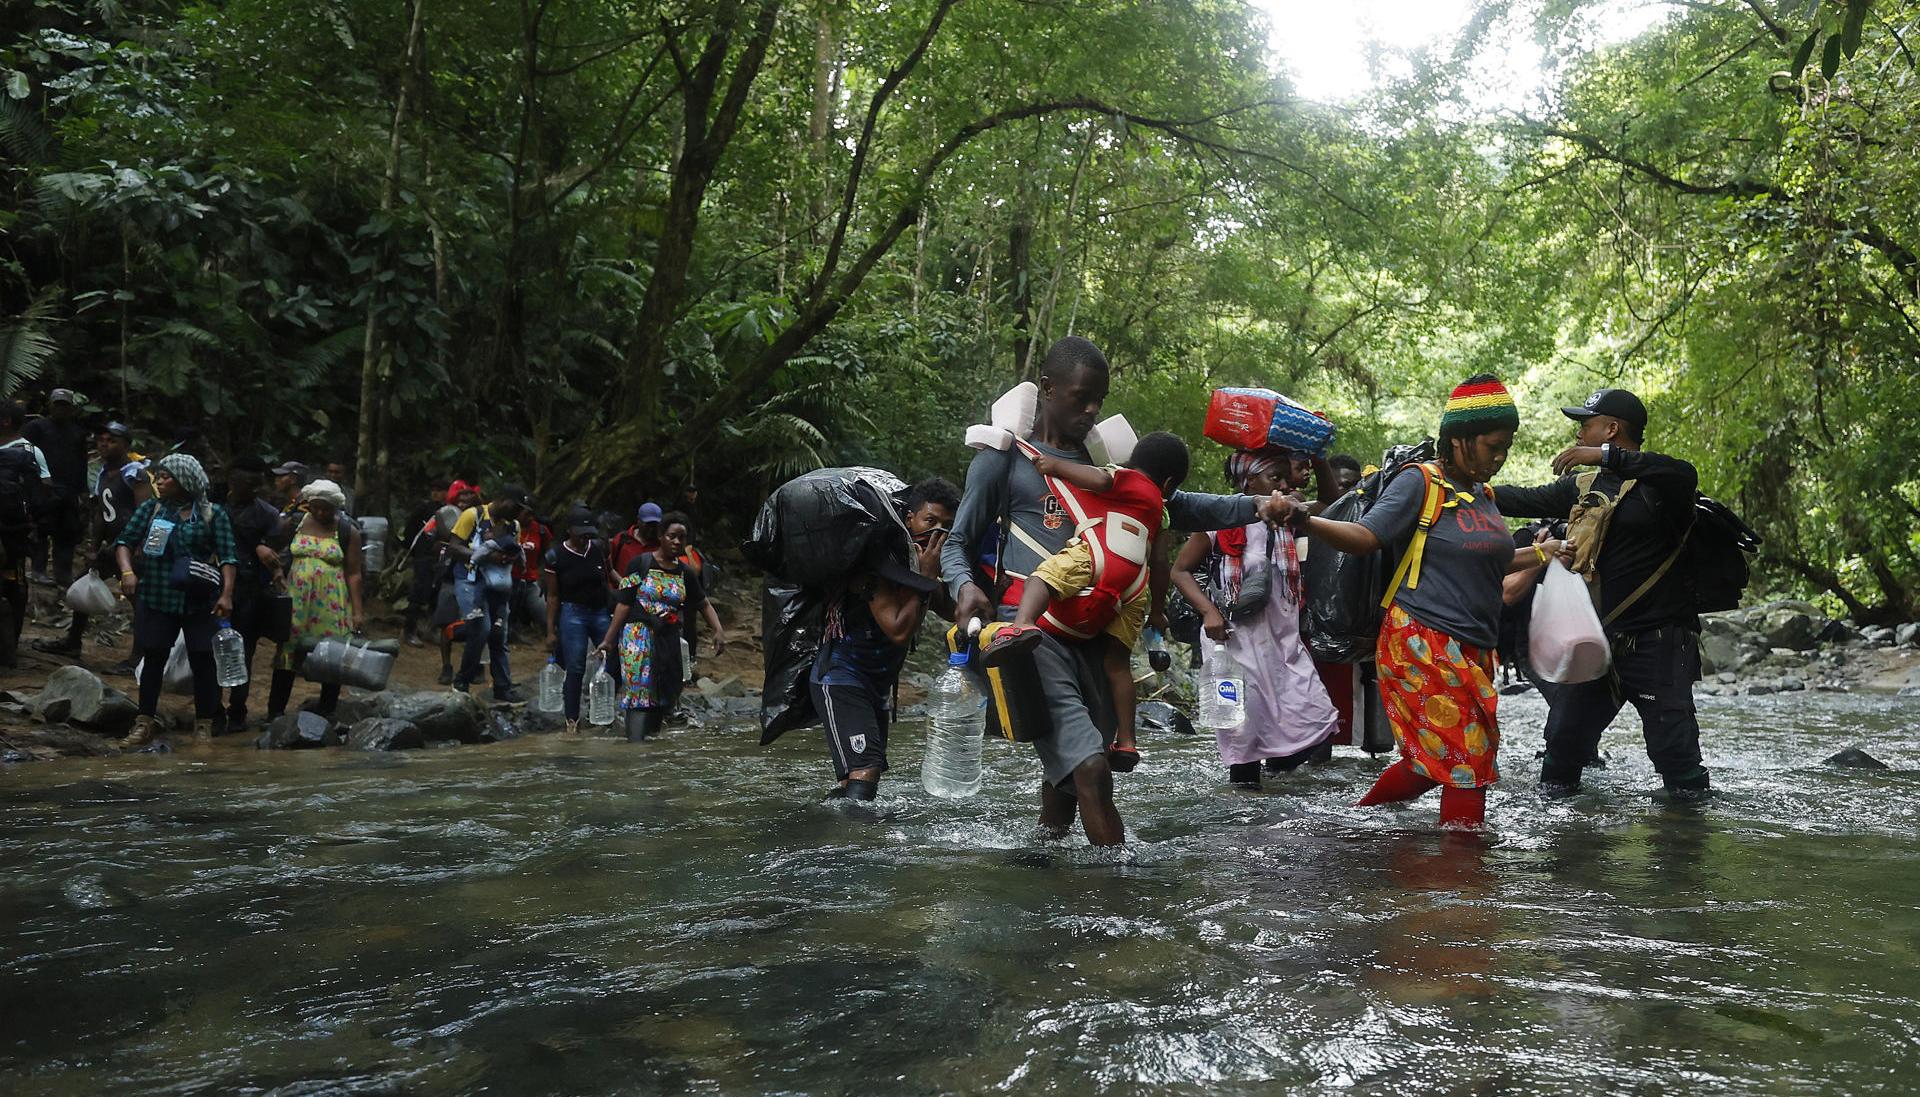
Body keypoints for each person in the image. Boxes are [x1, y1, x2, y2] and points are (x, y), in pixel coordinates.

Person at [941, 336, 1294, 846]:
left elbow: (1181, 505)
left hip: (1100, 633)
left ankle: (1041, 860)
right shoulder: (1004, 461)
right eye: (1080, 398)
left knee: (1068, 777)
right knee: (1090, 767)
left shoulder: (1105, 461)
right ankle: (1117, 897)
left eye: (1099, 401)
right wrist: (964, 585)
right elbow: (958, 543)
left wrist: (1259, 506)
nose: (1091, 411)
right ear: (1048, 388)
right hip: (1034, 631)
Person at [1280, 375, 1566, 829]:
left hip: (1473, 647)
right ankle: (1462, 881)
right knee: (1467, 764)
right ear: (1459, 441)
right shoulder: (1420, 482)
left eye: (1506, 447)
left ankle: (1355, 824)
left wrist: (1543, 554)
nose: (1500, 457)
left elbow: (1489, 561)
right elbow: (1365, 536)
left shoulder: (1483, 496)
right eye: (1493, 446)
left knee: (1432, 762)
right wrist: (1306, 521)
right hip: (1420, 641)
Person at [1492, 387, 1708, 801]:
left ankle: (1685, 853)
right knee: (1561, 751)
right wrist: (1463, 485)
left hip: (1659, 645)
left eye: (1585, 425)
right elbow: (1520, 498)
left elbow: (1682, 472)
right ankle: (1569, 851)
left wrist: (1607, 457)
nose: (1578, 435)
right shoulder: (1584, 485)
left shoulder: (1665, 486)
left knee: (1677, 763)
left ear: (1611, 429)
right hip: (1598, 644)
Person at [981, 432, 1192, 773]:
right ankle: (1126, 740)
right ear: (1168, 484)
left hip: (1098, 555)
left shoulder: (1126, 478)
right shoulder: (1161, 513)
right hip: (1134, 585)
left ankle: (1022, 624)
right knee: (1117, 665)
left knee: (1043, 577)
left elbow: (1098, 479)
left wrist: (1055, 465)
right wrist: (1156, 611)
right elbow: (1161, 563)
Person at [1172, 445, 1344, 788]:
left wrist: (1318, 456)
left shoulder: (1289, 516)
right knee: (1243, 741)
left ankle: (1280, 793)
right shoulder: (1217, 523)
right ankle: (1245, 820)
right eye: (1274, 477)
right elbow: (1180, 570)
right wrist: (1209, 612)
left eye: (1285, 476)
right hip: (1232, 643)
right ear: (1249, 483)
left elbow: (1331, 501)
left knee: (1316, 721)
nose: (1283, 485)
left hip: (1282, 644)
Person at [112, 453, 238, 748]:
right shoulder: (152, 510)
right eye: (160, 476)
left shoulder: (212, 514)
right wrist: (127, 572)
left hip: (199, 600)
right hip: (157, 595)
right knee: (154, 656)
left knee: (203, 660)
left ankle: (204, 725)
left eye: (167, 476)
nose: (160, 481)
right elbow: (124, 543)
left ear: (185, 481)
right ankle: (144, 722)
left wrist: (226, 595)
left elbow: (229, 558)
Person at [596, 512, 727, 742]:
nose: (677, 542)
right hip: (637, 637)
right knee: (639, 693)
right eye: (672, 536)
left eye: (682, 538)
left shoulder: (685, 572)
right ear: (661, 536)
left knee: (664, 691)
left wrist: (718, 630)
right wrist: (608, 639)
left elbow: (702, 603)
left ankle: (652, 748)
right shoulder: (640, 563)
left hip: (667, 639)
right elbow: (624, 603)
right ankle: (635, 747)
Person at [33, 421, 148, 661]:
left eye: (112, 440)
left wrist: (139, 547)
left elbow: (145, 511)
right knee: (81, 584)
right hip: (111, 547)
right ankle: (73, 641)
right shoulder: (103, 474)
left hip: (129, 547)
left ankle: (139, 657)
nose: (105, 444)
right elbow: (99, 515)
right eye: (102, 440)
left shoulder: (135, 473)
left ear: (126, 445)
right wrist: (94, 547)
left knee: (139, 601)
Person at [262, 479, 361, 721]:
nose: (320, 512)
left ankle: (327, 711)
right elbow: (272, 549)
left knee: (332, 654)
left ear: (336, 507)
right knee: (288, 651)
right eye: (315, 507)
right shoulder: (295, 523)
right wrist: (276, 572)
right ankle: (275, 713)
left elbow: (354, 573)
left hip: (332, 600)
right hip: (296, 599)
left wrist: (357, 611)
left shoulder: (348, 530)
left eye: (326, 508)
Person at [220, 458, 284, 733]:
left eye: (259, 484)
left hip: (250, 592)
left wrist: (263, 549)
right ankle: (211, 708)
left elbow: (278, 551)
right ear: (234, 483)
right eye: (251, 484)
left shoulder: (268, 514)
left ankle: (237, 710)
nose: (257, 489)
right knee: (210, 648)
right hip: (215, 586)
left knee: (243, 651)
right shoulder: (215, 507)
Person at [447, 484, 525, 701]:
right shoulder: (473, 515)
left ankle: (503, 687)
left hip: (497, 583)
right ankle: (462, 680)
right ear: (501, 499)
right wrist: (484, 556)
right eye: (515, 507)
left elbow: (514, 551)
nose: (517, 513)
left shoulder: (513, 525)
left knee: (499, 634)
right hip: (469, 580)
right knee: (481, 628)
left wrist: (510, 558)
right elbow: (454, 547)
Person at [542, 506, 612, 734]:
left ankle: (605, 709)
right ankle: (572, 720)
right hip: (573, 613)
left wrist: (629, 586)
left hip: (600, 611)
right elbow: (552, 596)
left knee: (614, 658)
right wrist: (551, 630)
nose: (585, 537)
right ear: (569, 530)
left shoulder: (598, 549)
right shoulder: (556, 556)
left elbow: (610, 574)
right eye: (580, 532)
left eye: (588, 532)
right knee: (575, 666)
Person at [0, 402, 52, 666]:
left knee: (13, 586)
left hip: (13, 533)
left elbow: (41, 490)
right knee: (14, 585)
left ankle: (9, 649)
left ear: (6, 421)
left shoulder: (28, 451)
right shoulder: (30, 452)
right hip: (16, 532)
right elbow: (44, 489)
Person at [24, 388, 89, 587]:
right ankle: (38, 570)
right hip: (43, 490)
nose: (61, 409)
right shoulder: (37, 427)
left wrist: (83, 491)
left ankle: (63, 574)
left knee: (66, 534)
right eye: (57, 404)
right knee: (41, 530)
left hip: (68, 492)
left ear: (71, 409)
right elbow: (25, 454)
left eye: (65, 405)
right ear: (51, 406)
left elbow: (81, 463)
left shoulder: (77, 432)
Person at [511, 502, 551, 644]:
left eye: (532, 514)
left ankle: (552, 637)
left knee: (542, 611)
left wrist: (539, 573)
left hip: (530, 579)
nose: (530, 517)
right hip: (510, 578)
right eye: (526, 514)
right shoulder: (509, 527)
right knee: (510, 611)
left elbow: (545, 553)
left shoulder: (540, 530)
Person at [608, 501, 662, 581]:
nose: (651, 528)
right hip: (619, 590)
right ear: (638, 520)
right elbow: (608, 566)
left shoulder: (661, 546)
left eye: (654, 525)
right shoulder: (623, 539)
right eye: (648, 524)